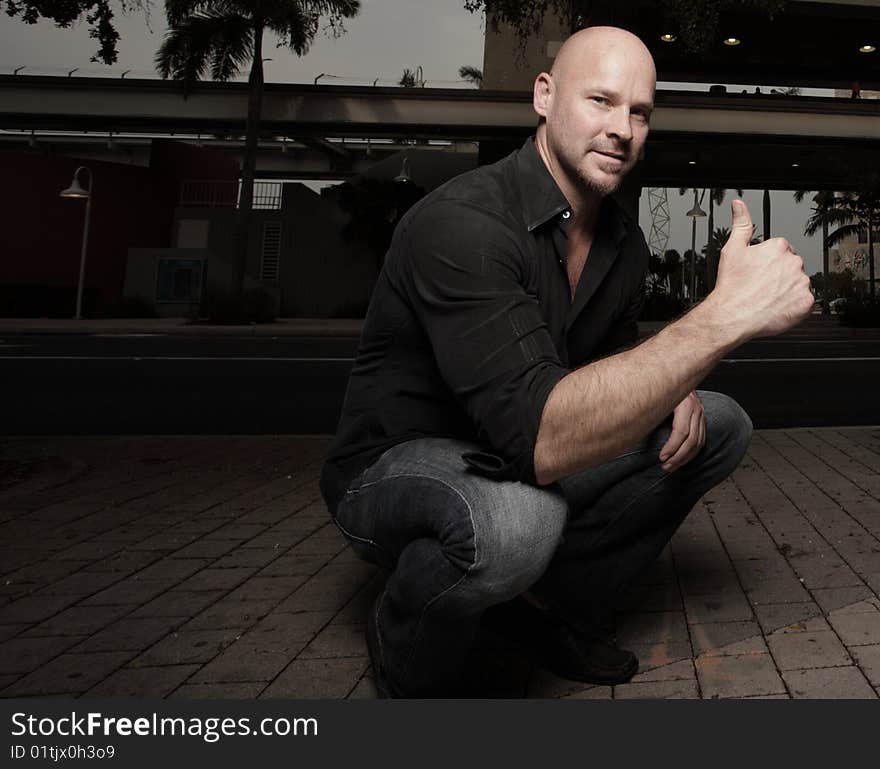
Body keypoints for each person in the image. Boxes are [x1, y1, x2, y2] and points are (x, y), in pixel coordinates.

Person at [320, 26, 814, 697]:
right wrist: (725, 318)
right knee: (519, 522)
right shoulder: (465, 223)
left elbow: (606, 372)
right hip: (398, 466)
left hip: (514, 451)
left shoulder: (622, 244)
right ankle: (404, 636)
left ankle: (540, 611)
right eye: (602, 101)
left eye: (639, 112)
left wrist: (668, 381)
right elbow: (543, 436)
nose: (623, 129)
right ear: (544, 97)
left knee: (714, 423)